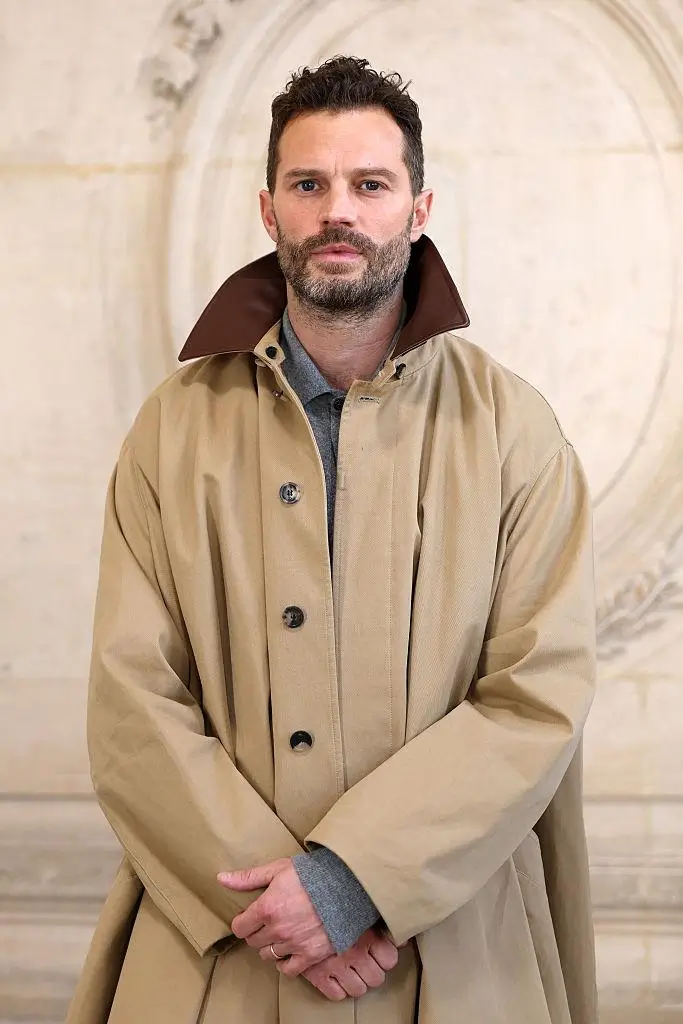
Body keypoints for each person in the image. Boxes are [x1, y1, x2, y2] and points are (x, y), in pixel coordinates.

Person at [67, 55, 598, 1024]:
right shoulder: (169, 429)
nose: (335, 211)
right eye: (308, 184)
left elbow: (539, 692)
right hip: (222, 950)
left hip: (449, 957)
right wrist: (280, 906)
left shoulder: (514, 431)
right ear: (268, 209)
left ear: (418, 205)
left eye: (369, 184)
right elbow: (130, 697)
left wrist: (354, 880)